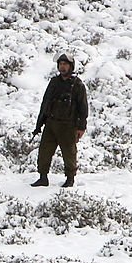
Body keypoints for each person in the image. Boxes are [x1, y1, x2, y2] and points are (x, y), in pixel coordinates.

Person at [31, 52, 88, 188]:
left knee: (69, 153)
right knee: (44, 151)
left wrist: (81, 127)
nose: (62, 67)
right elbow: (45, 103)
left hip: (68, 126)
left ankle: (70, 179)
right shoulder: (54, 82)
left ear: (71, 66)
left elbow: (83, 107)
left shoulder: (77, 85)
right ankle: (43, 177)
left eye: (65, 64)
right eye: (60, 64)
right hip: (51, 123)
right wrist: (39, 124)